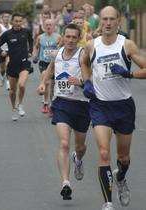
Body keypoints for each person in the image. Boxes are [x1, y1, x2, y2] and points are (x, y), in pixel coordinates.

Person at [80, 6, 146, 210]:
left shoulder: (127, 45)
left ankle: (121, 178)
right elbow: (84, 62)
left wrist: (129, 74)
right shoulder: (92, 45)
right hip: (100, 106)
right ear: (100, 21)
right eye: (104, 19)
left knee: (123, 157)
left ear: (119, 21)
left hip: (123, 106)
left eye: (112, 19)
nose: (108, 23)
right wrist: (87, 81)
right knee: (103, 153)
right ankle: (107, 202)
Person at [37, 23, 90, 200]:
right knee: (65, 143)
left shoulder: (82, 56)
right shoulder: (58, 53)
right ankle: (66, 183)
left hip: (82, 105)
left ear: (78, 38)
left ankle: (78, 159)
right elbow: (50, 70)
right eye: (68, 37)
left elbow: (89, 80)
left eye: (74, 37)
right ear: (63, 37)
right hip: (61, 104)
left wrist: (81, 82)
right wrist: (43, 83)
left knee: (80, 147)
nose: (70, 40)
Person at [0, 13, 33, 121]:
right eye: (16, 21)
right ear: (12, 22)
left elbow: (31, 41)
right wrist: (1, 51)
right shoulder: (7, 34)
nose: (18, 23)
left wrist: (30, 51)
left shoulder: (26, 31)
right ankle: (13, 109)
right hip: (12, 65)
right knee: (12, 90)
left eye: (20, 21)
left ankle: (20, 104)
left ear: (22, 22)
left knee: (21, 85)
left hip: (24, 63)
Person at [33, 18, 61, 114]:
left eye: (50, 25)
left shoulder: (58, 37)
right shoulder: (40, 37)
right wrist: (35, 55)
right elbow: (36, 47)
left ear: (54, 27)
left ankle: (52, 105)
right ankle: (45, 103)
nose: (48, 26)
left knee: (53, 85)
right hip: (44, 63)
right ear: (44, 26)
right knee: (47, 81)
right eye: (47, 25)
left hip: (54, 63)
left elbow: (61, 49)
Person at [0, 10, 12, 90]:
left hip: (9, 50)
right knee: (2, 69)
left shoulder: (11, 27)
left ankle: (8, 83)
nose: (6, 18)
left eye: (8, 17)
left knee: (8, 65)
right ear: (2, 18)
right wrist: (0, 38)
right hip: (1, 50)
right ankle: (2, 77)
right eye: (5, 17)